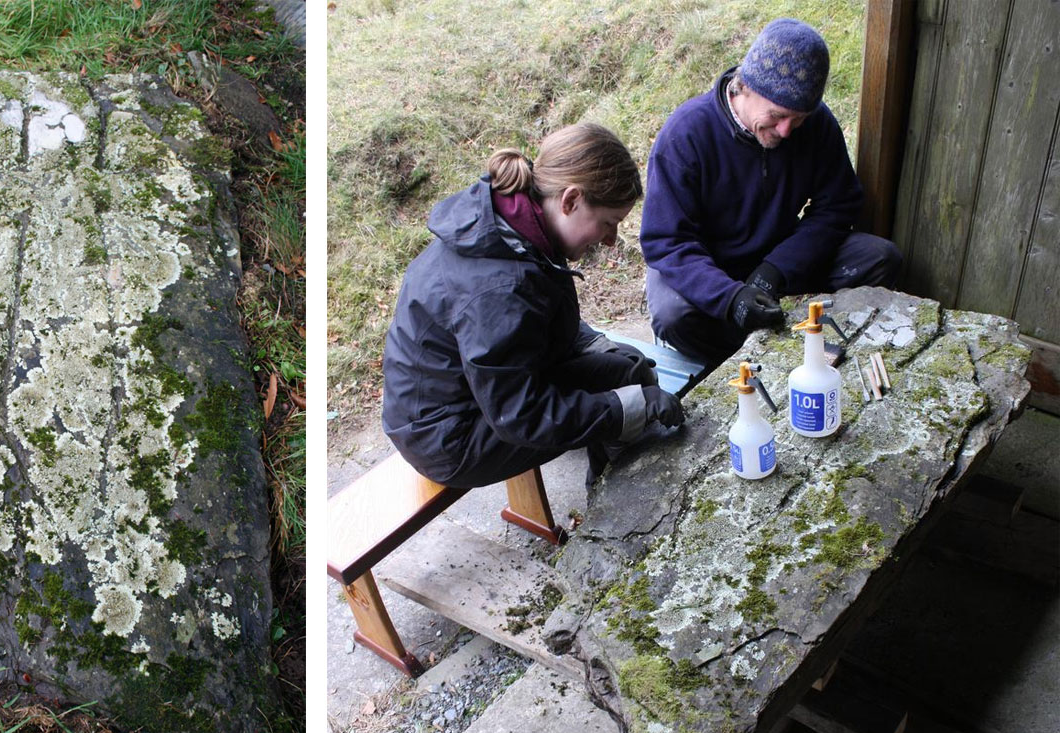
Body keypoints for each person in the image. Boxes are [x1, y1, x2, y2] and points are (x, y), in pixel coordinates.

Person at [382, 123, 684, 490]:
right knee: (629, 396)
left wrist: (596, 346)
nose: (610, 240)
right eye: (608, 223)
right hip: (448, 437)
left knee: (628, 368)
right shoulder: (498, 287)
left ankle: (614, 480)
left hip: (482, 395)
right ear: (570, 200)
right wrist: (628, 408)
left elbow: (534, 324)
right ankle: (617, 503)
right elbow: (521, 415)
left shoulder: (517, 225)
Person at [640, 17, 902, 366]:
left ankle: (797, 344)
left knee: (878, 257)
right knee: (673, 313)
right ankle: (749, 360)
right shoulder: (686, 135)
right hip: (707, 265)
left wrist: (777, 268)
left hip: (776, 257)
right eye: (777, 115)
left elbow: (839, 205)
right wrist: (730, 298)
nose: (786, 130)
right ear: (744, 86)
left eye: (799, 119)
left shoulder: (817, 124)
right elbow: (666, 242)